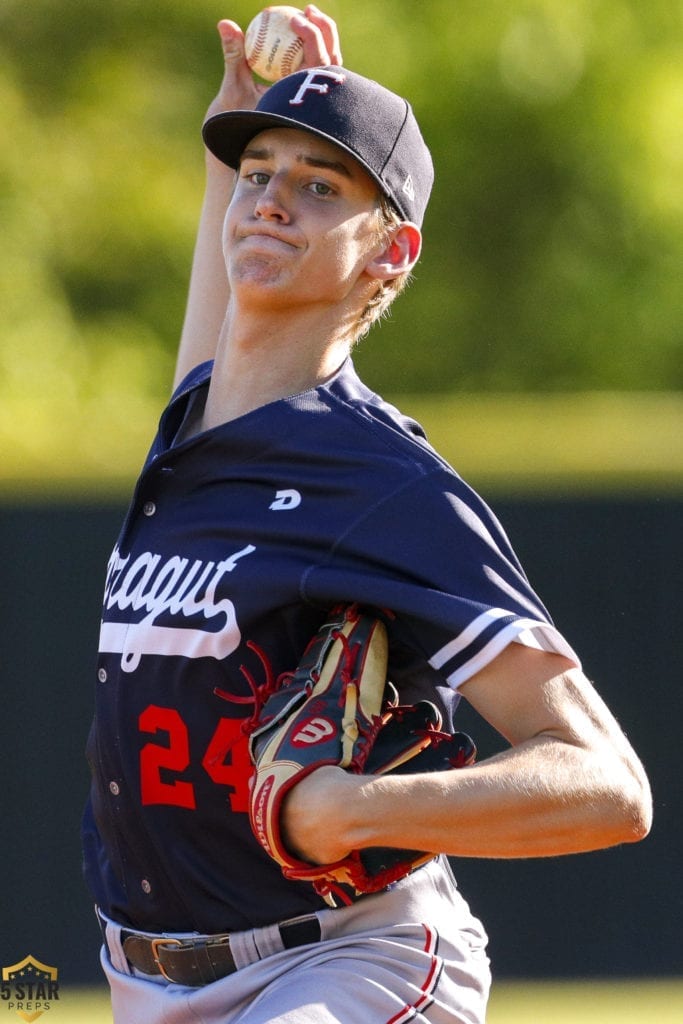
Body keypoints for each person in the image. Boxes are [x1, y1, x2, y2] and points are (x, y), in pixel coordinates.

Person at [82, 8, 652, 1024]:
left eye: (317, 188)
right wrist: (239, 120)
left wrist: (355, 808)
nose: (269, 202)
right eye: (257, 172)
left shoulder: (383, 480)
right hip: (146, 980)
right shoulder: (195, 431)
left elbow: (608, 783)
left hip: (343, 964)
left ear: (390, 250)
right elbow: (227, 319)